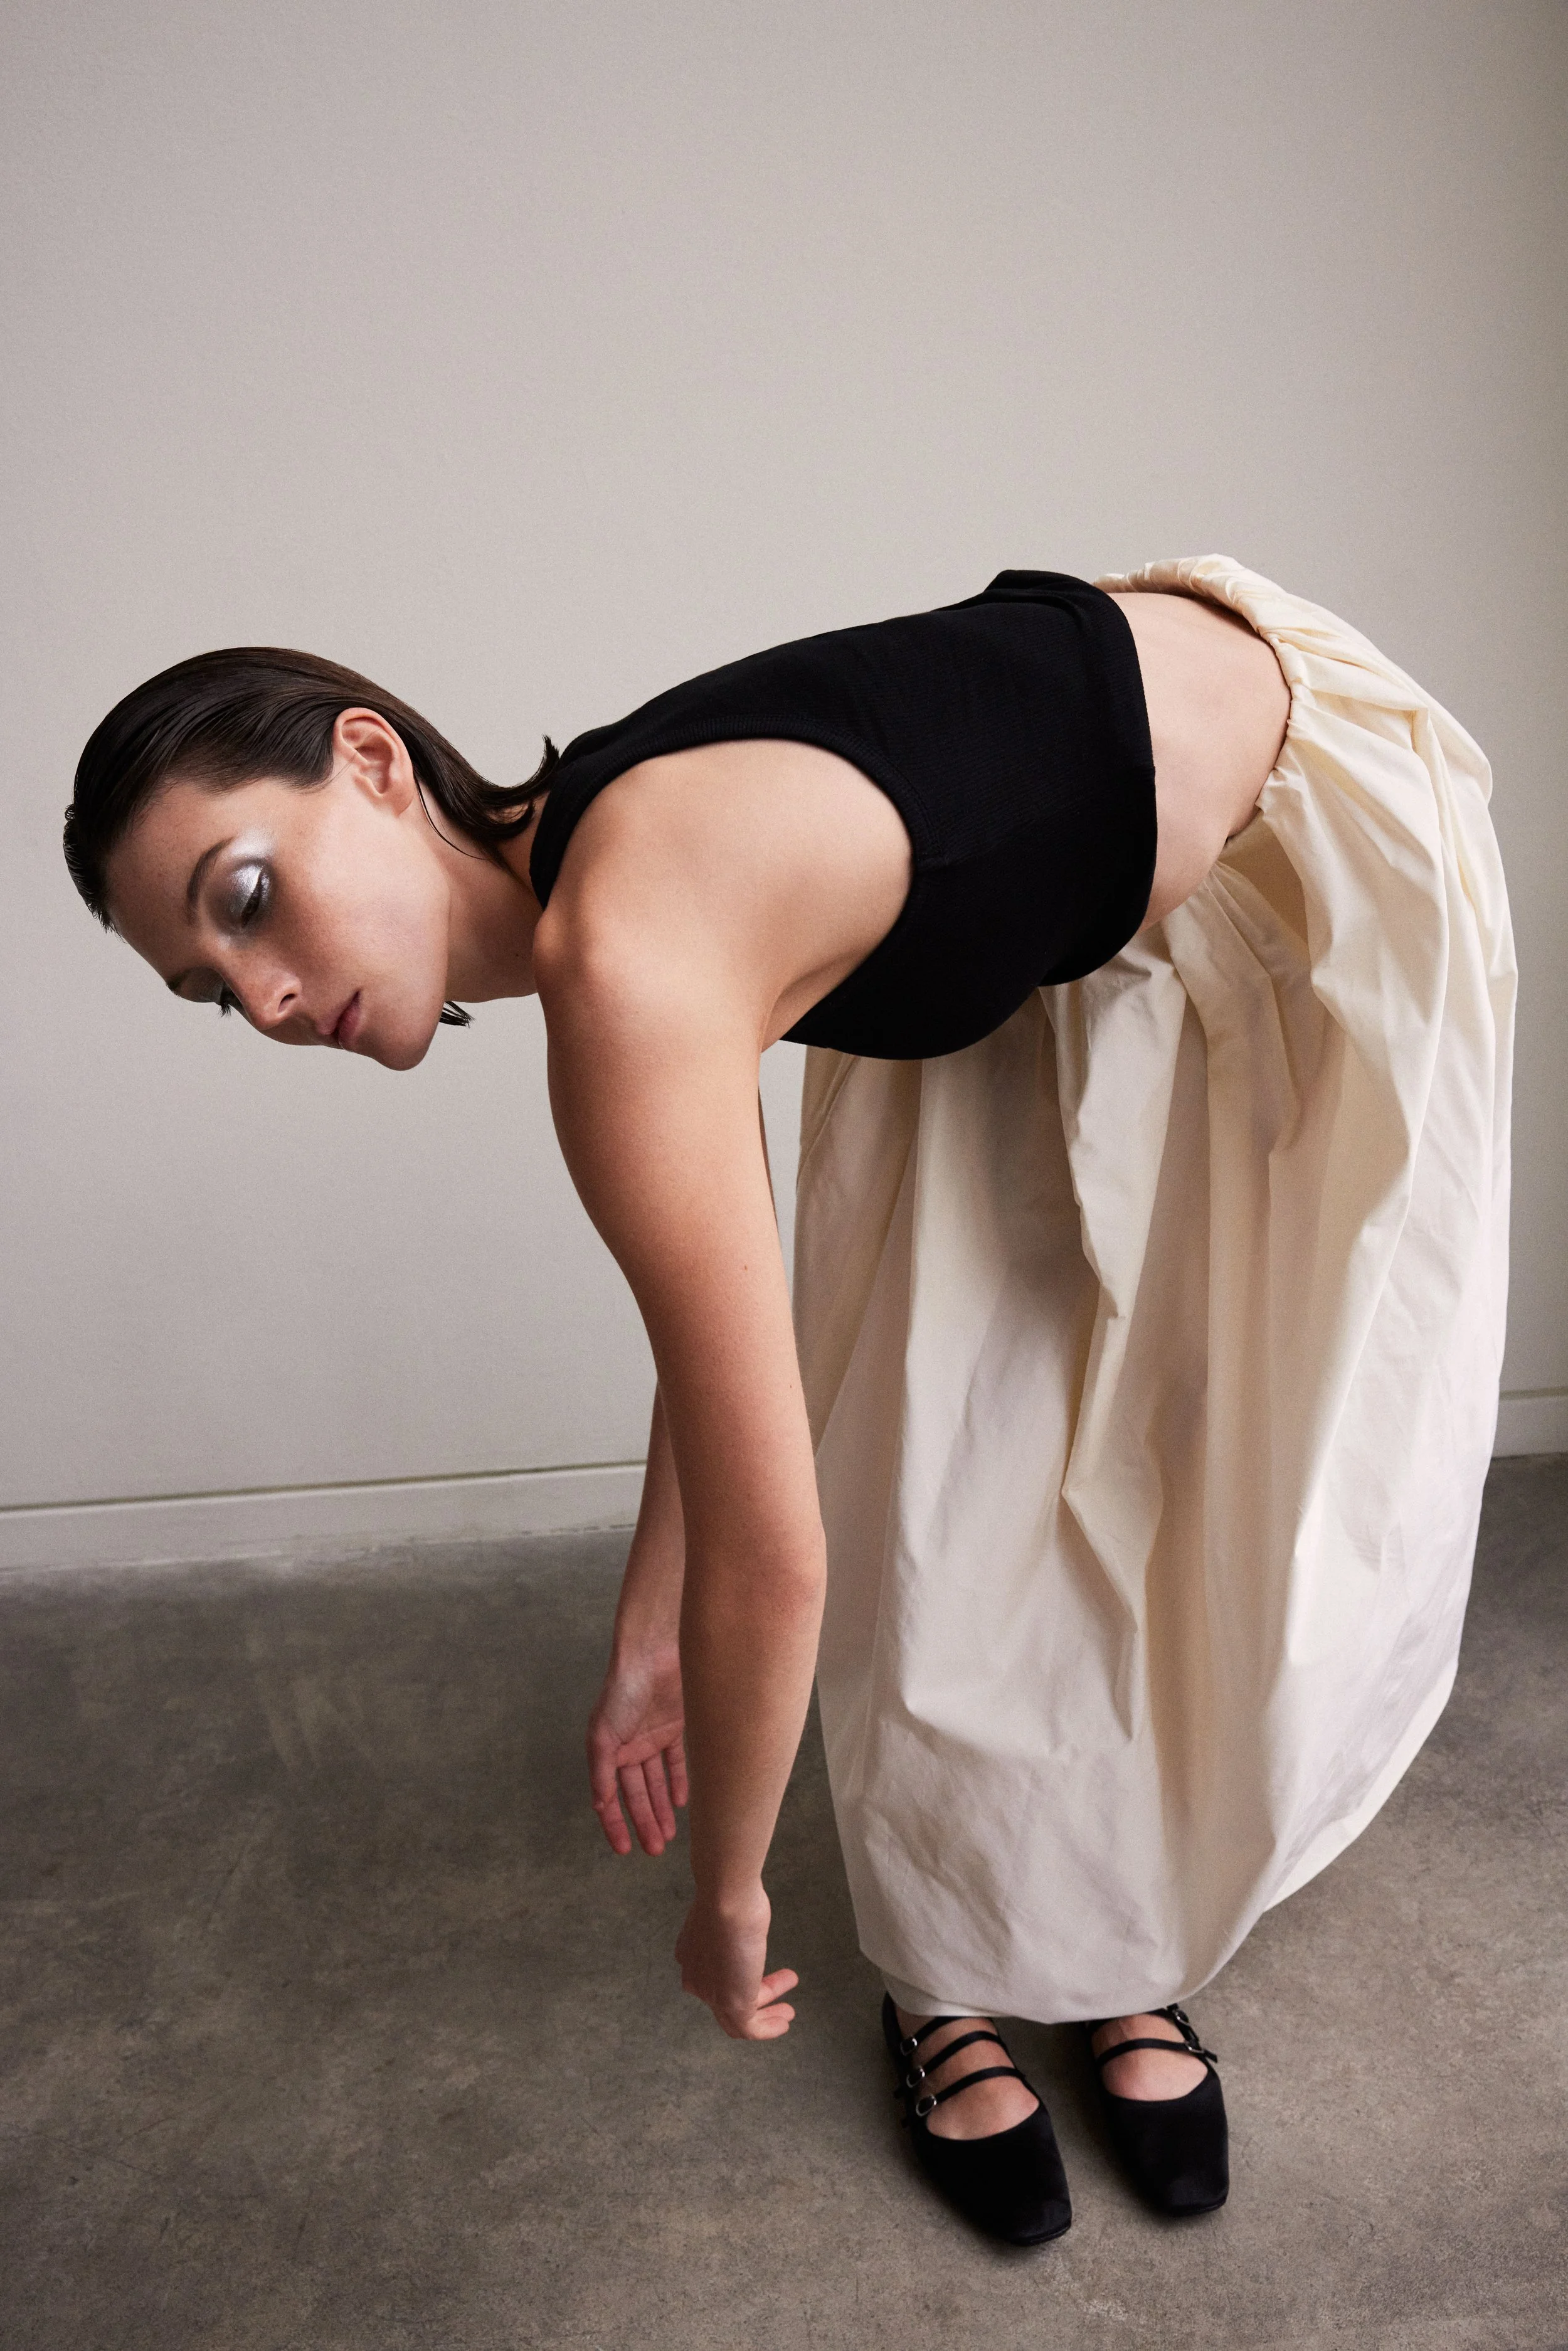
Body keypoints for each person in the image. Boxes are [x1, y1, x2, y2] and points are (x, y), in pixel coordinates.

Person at [63, 558, 1514, 2246]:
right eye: (205, 985)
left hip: (1285, 868)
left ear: (373, 764)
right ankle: (958, 1970)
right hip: (1031, 947)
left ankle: (1115, 1957)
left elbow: (778, 1559)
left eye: (245, 896)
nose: (261, 998)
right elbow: (718, 1314)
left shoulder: (624, 952)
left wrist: (728, 1892)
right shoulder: (598, 857)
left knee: (1208, 1488)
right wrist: (642, 1633)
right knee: (951, 1463)